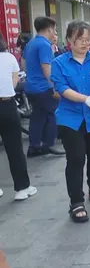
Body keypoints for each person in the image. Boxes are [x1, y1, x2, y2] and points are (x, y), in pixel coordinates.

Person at [51, 21, 90, 223]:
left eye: (88, 40)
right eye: (80, 40)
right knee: (76, 157)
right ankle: (76, 201)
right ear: (69, 39)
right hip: (70, 118)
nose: (85, 44)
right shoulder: (59, 63)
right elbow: (61, 89)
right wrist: (85, 98)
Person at [22, 16, 65, 157]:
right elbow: (46, 68)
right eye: (54, 29)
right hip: (43, 88)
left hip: (30, 87)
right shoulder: (44, 45)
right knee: (53, 114)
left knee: (37, 116)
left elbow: (23, 63)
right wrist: (56, 87)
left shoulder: (31, 43)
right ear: (49, 29)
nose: (55, 32)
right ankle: (48, 144)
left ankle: (34, 146)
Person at [0, 38, 37, 201]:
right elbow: (14, 81)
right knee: (14, 148)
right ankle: (22, 188)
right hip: (6, 104)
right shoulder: (8, 57)